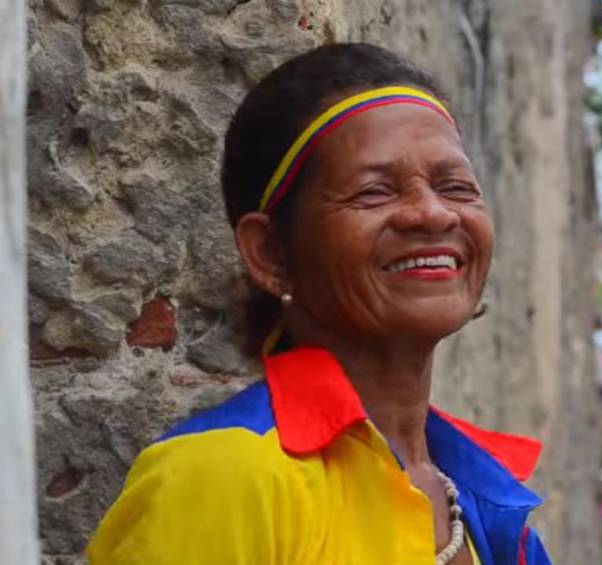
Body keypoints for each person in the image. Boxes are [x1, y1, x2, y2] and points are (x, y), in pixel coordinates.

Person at [88, 42, 552, 565]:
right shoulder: (223, 476)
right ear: (271, 253)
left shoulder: (482, 505)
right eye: (374, 192)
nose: (432, 213)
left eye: (457, 186)